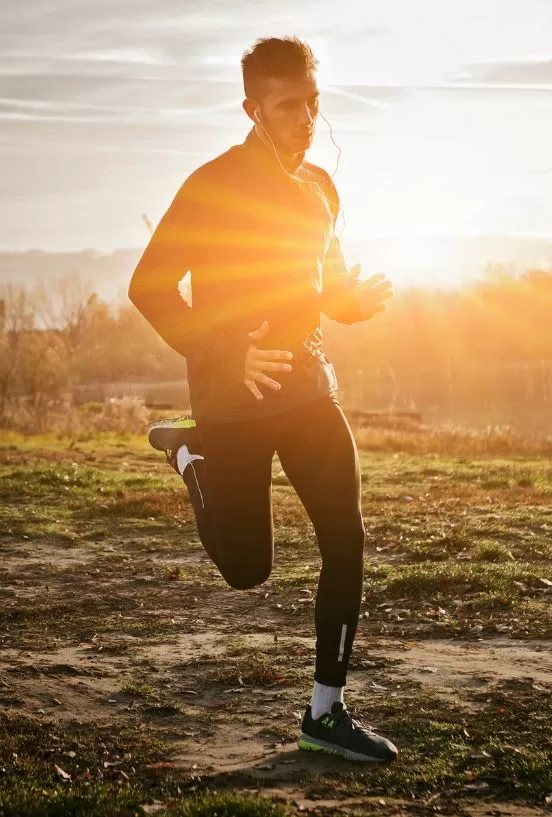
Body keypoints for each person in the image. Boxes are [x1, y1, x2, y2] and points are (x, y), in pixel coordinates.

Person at [127, 36, 396, 763]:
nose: (307, 117)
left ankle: (325, 713)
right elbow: (149, 286)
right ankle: (189, 452)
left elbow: (322, 287)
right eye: (289, 106)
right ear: (251, 107)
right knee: (249, 569)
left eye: (313, 101)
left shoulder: (321, 187)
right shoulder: (211, 184)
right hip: (233, 398)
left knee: (346, 535)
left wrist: (352, 304)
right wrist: (223, 353)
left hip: (308, 388)